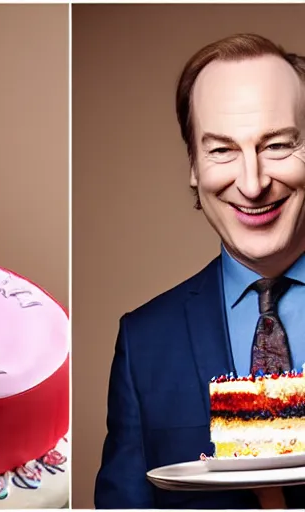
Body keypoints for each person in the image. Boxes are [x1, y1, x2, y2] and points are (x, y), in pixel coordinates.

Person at [95, 33, 305, 509]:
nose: (252, 184)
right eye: (221, 150)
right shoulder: (143, 341)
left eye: (276, 145)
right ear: (193, 163)